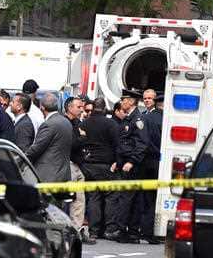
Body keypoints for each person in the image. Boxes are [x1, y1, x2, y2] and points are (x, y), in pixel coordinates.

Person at [106, 93, 149, 243]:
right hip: (124, 164)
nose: (121, 102)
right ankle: (131, 232)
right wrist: (118, 162)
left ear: (130, 101)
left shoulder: (137, 120)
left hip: (131, 166)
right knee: (131, 199)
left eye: (123, 100)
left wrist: (131, 161)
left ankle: (122, 229)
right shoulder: (130, 118)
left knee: (126, 198)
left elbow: (142, 144)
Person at [81, 98, 121, 240]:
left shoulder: (84, 123)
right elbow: (118, 145)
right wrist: (117, 161)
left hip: (89, 165)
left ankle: (94, 230)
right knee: (110, 196)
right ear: (104, 108)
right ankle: (109, 229)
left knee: (93, 197)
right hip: (106, 166)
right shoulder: (111, 124)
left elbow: (80, 143)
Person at [63, 96, 94, 244]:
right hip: (68, 164)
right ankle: (67, 230)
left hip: (77, 164)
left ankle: (76, 229)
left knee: (79, 200)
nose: (81, 110)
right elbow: (72, 144)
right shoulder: (65, 123)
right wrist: (82, 138)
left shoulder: (77, 122)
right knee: (68, 199)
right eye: (78, 107)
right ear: (69, 108)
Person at [25, 93, 72, 183]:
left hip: (48, 176)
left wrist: (20, 158)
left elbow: (36, 149)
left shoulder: (49, 124)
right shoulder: (66, 122)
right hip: (64, 174)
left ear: (42, 107)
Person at [138, 89, 163, 244]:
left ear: (155, 100)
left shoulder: (149, 117)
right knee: (149, 198)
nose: (146, 100)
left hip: (149, 160)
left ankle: (145, 230)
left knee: (148, 198)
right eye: (145, 98)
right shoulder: (153, 117)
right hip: (150, 161)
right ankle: (147, 231)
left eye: (149, 98)